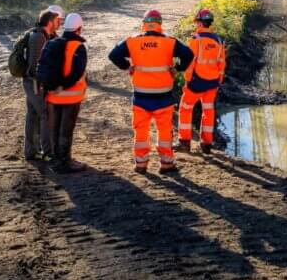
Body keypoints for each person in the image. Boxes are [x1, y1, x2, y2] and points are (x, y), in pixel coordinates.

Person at [108, 10, 194, 174]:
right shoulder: (170, 41)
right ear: (160, 24)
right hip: (163, 97)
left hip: (141, 96)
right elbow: (189, 54)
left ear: (144, 23)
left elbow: (113, 55)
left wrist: (127, 66)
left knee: (140, 131)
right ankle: (167, 164)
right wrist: (178, 69)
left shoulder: (133, 41)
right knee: (164, 131)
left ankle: (141, 164)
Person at [40, 12, 88, 173]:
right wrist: (64, 86)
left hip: (53, 97)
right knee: (66, 130)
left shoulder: (52, 43)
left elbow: (43, 67)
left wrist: (52, 87)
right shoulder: (78, 47)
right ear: (79, 29)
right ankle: (65, 162)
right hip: (70, 97)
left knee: (54, 128)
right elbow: (76, 73)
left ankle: (56, 161)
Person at [177, 9, 227, 154]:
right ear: (210, 23)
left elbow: (189, 63)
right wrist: (219, 81)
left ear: (199, 22)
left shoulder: (195, 39)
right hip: (213, 83)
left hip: (196, 82)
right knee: (208, 111)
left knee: (185, 109)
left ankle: (184, 143)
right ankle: (206, 144)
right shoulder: (219, 40)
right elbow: (222, 64)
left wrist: (187, 80)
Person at [21, 8, 61, 161]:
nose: (58, 23)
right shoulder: (39, 37)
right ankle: (47, 152)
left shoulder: (39, 35)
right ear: (49, 22)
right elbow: (36, 65)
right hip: (35, 83)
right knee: (45, 114)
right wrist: (44, 84)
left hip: (31, 82)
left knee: (32, 115)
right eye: (56, 21)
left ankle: (30, 152)